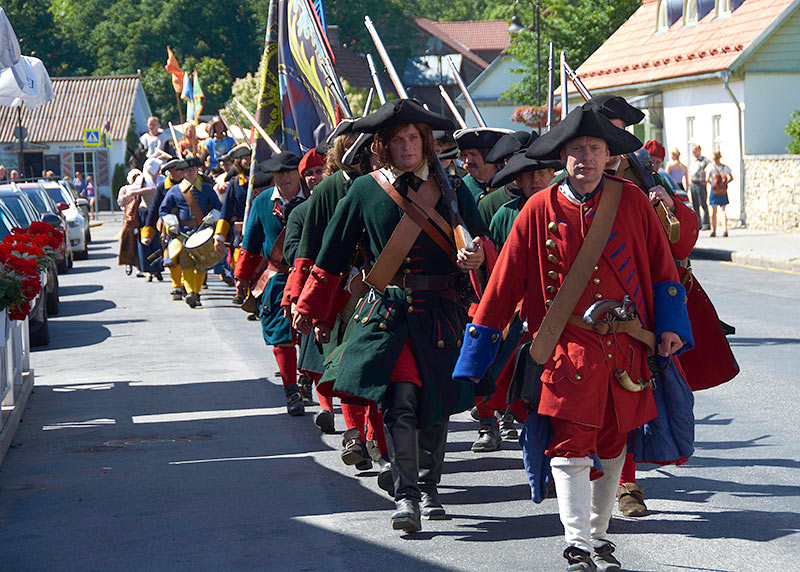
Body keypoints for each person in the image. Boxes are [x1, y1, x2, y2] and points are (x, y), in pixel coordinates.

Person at [454, 106, 693, 571]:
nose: (585, 157)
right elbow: (503, 284)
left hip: (626, 348)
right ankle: (576, 539)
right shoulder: (538, 208)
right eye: (577, 149)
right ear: (563, 156)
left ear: (609, 156)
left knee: (613, 442)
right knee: (570, 443)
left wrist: (670, 329)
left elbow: (663, 270)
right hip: (566, 348)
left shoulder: (632, 201)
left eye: (595, 149)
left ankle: (600, 535)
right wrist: (474, 357)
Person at [293, 99, 495, 533]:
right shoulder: (365, 190)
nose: (408, 147)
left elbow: (484, 243)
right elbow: (330, 257)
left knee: (434, 406)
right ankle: (407, 496)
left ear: (426, 144)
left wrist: (476, 257)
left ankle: (428, 484)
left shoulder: (454, 188)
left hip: (442, 313)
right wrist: (310, 307)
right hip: (387, 314)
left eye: (414, 139)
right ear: (383, 146)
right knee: (399, 401)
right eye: (398, 140)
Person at [283, 119, 387, 475]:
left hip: (379, 289)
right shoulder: (327, 191)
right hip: (337, 294)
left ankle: (375, 435)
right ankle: (355, 434)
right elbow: (310, 251)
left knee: (376, 368)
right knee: (343, 366)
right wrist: (304, 301)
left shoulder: (389, 185)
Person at [234, 152, 307, 415]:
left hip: (311, 277)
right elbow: (250, 244)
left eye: (289, 171)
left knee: (309, 335)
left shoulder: (315, 197)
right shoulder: (261, 201)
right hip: (277, 279)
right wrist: (241, 278)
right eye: (278, 173)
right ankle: (291, 391)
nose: (284, 177)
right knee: (281, 335)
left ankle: (307, 379)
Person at [159, 156, 221, 308]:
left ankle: (197, 292)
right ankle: (190, 293)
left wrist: (214, 216)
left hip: (202, 232)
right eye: (187, 170)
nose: (191, 172)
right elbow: (163, 210)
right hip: (183, 232)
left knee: (201, 263)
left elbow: (218, 207)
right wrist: (171, 222)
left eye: (193, 169)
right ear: (183, 173)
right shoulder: (174, 191)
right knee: (186, 263)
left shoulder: (207, 189)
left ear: (197, 170)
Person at [213, 143, 253, 294]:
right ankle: (241, 290)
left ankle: (251, 296)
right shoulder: (235, 183)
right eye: (244, 158)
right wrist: (219, 236)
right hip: (239, 228)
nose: (248, 161)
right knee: (237, 260)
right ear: (238, 161)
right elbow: (226, 211)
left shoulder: (263, 181)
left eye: (250, 157)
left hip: (258, 227)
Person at [454, 127, 512, 203]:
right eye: (464, 155)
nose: (467, 161)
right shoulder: (461, 188)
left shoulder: (510, 181)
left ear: (490, 156)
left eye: (473, 154)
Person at [707, 150, 733, 237]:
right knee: (723, 210)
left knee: (714, 211)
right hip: (723, 191)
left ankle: (714, 231)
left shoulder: (711, 167)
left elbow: (707, 179)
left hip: (714, 190)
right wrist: (724, 184)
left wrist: (714, 185)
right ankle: (725, 229)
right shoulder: (725, 167)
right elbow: (731, 177)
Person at [689, 144, 711, 230]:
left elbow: (710, 169)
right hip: (693, 183)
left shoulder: (705, 161)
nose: (693, 152)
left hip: (700, 184)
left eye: (695, 150)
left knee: (703, 204)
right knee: (695, 205)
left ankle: (706, 223)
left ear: (699, 150)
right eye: (693, 151)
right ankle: (698, 224)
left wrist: (705, 179)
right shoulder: (693, 160)